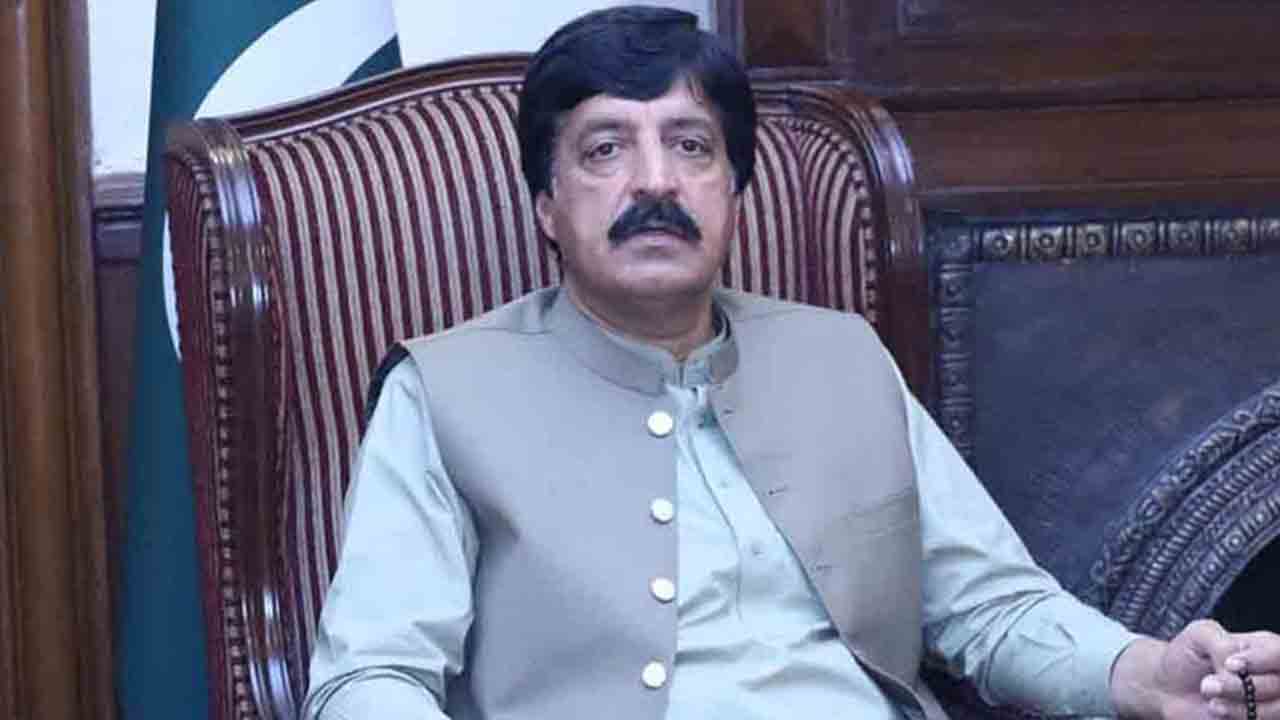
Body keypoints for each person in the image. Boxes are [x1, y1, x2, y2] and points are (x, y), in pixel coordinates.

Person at [302, 6, 1280, 719]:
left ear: (733, 193)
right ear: (545, 208)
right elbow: (370, 676)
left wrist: (1144, 674)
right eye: (604, 150)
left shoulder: (841, 357)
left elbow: (991, 607)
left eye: (691, 146)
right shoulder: (444, 391)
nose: (653, 180)